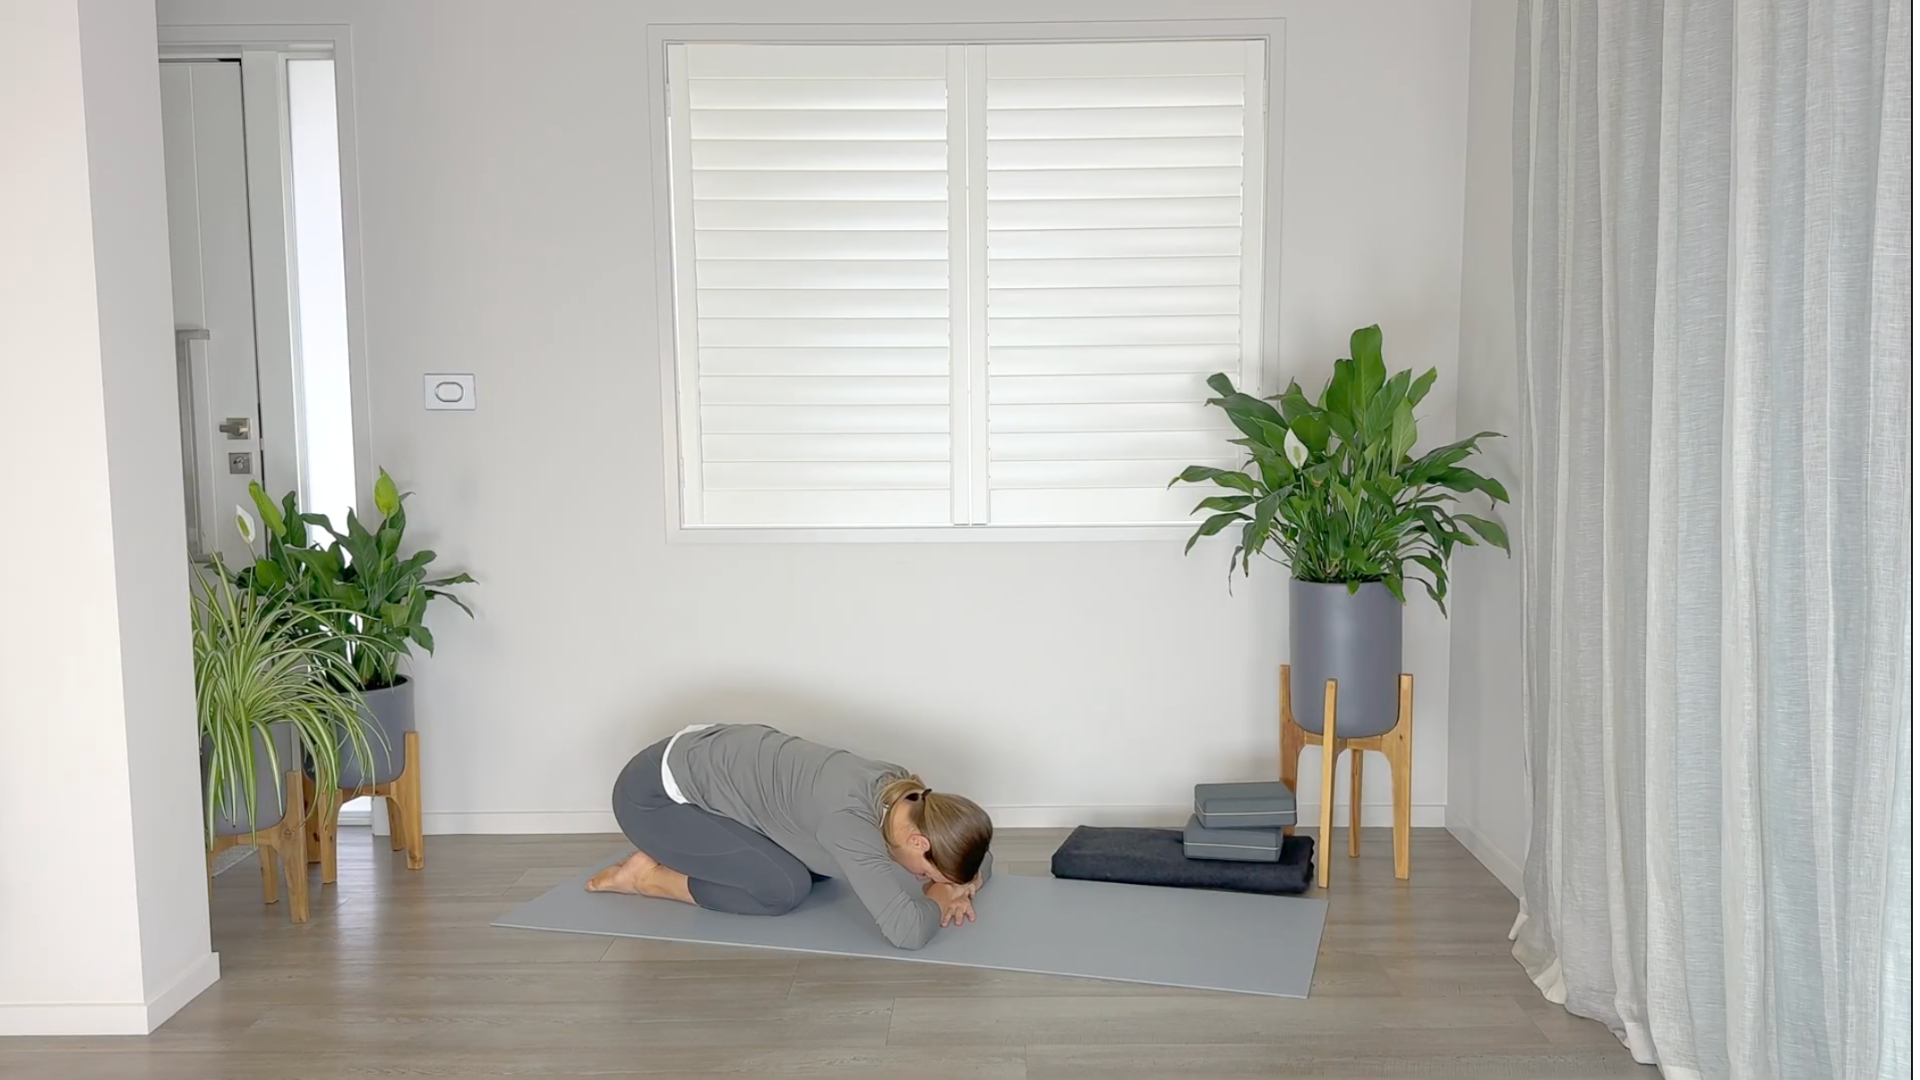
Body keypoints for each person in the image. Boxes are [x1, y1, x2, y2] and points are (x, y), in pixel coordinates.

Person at [588, 722, 994, 950]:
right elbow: (908, 932)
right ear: (920, 843)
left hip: (701, 763)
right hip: (653, 798)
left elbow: (981, 857)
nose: (922, 880)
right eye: (928, 874)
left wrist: (964, 881)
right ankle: (646, 878)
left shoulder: (906, 796)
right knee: (782, 888)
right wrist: (943, 896)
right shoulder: (851, 825)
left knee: (818, 872)